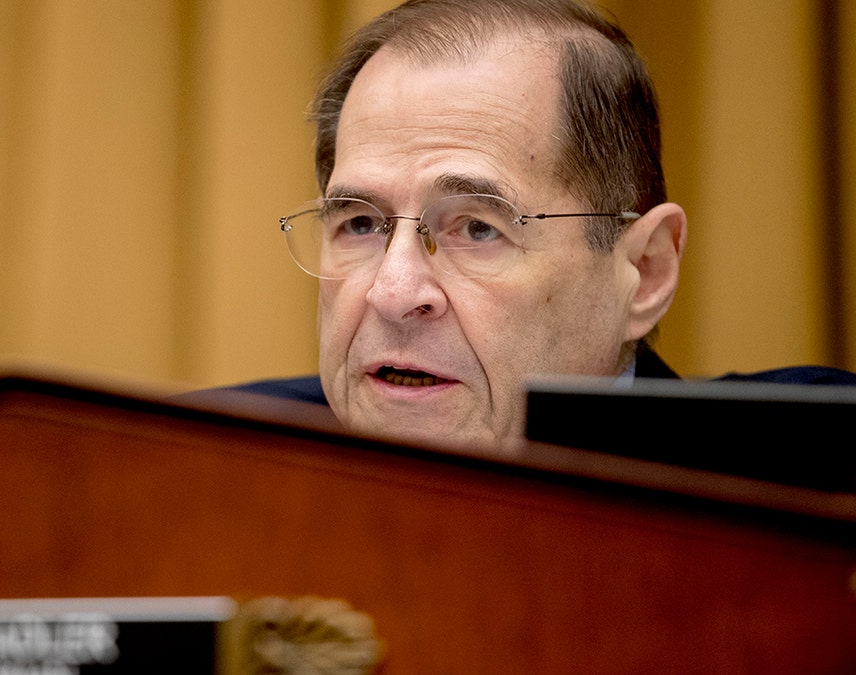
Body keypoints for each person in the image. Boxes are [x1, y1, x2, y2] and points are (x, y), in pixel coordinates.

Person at [221, 0, 855, 447]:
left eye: (476, 228)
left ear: (646, 271)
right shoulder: (204, 467)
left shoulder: (812, 484)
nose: (393, 292)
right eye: (361, 224)